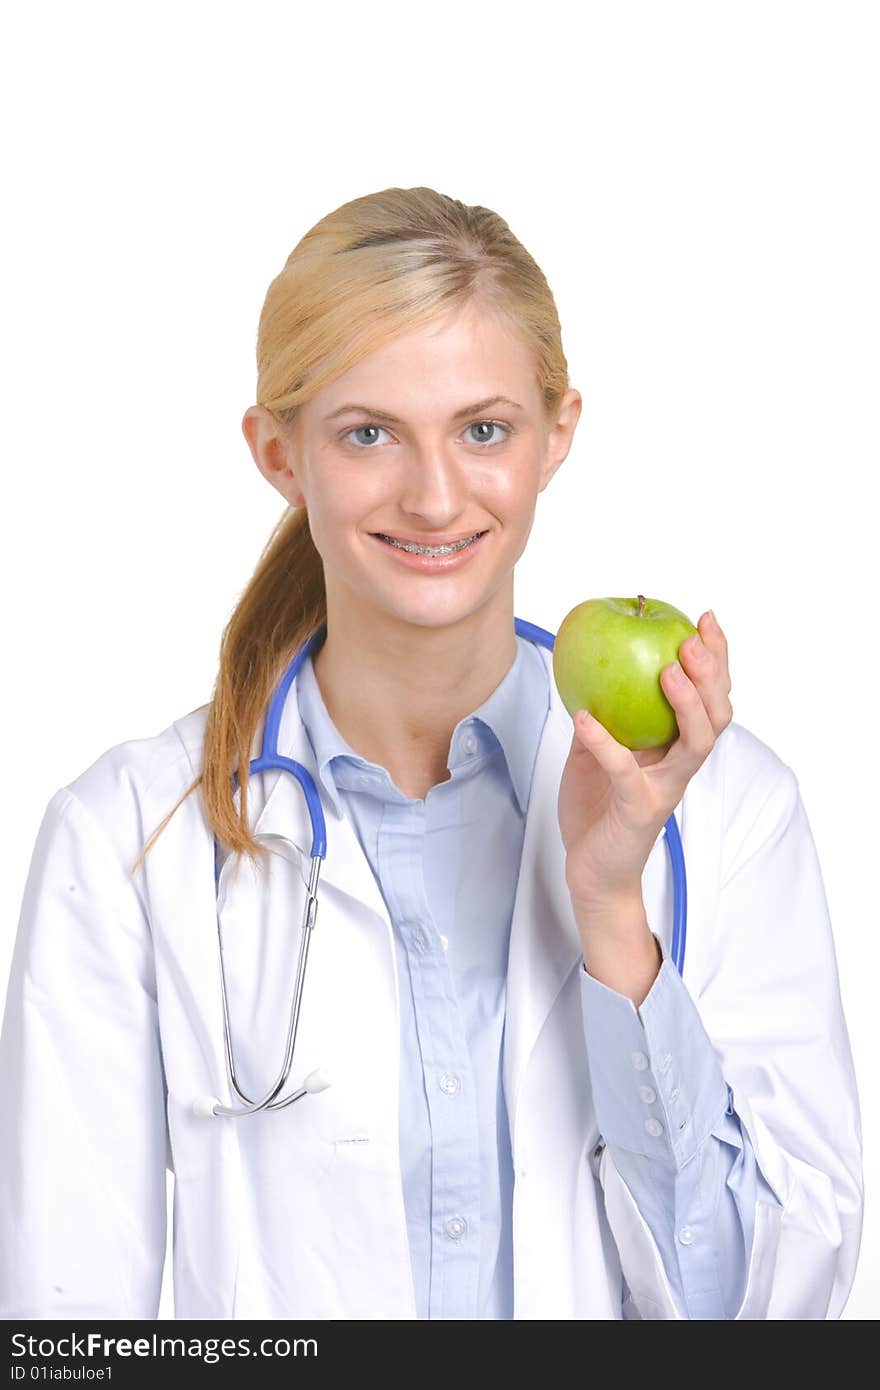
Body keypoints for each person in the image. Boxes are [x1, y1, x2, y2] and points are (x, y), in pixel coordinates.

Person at [0, 186, 863, 1321]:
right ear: (278, 452)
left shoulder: (732, 811)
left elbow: (762, 1312)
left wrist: (612, 914)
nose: (435, 493)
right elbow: (71, 1327)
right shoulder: (128, 835)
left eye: (484, 428)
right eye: (368, 433)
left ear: (557, 436)